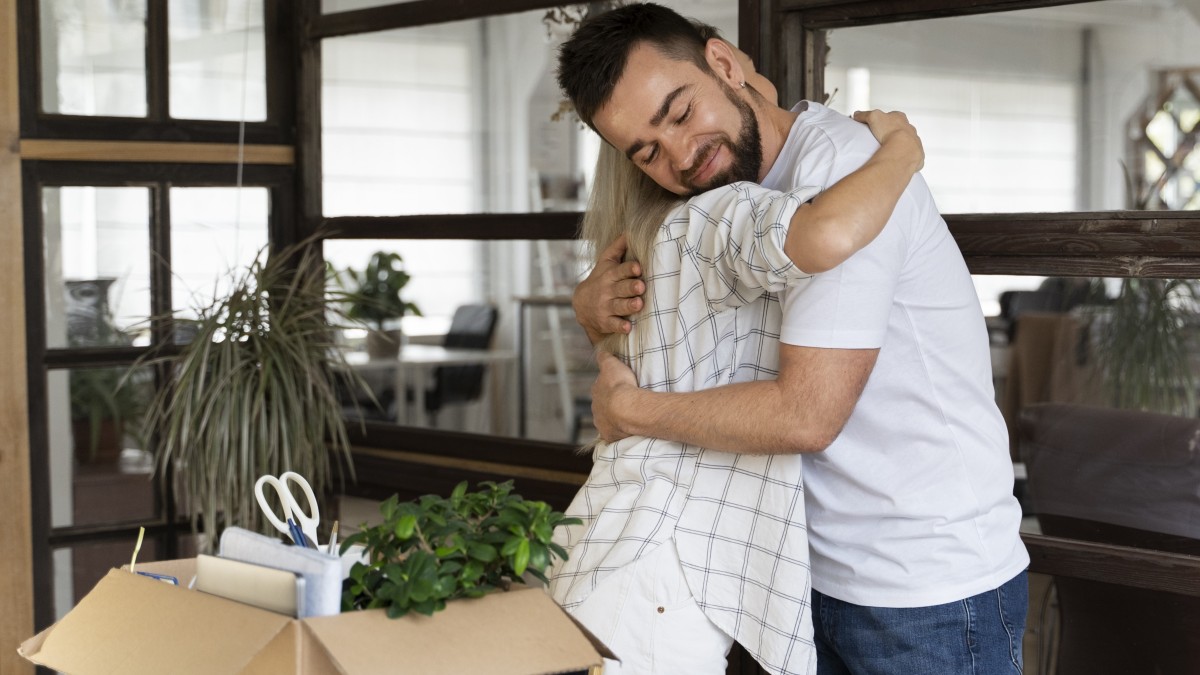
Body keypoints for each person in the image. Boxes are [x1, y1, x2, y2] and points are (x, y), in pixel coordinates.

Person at [556, 4, 1029, 675]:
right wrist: (589, 309)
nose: (681, 156)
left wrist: (630, 413)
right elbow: (676, 344)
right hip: (804, 571)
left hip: (926, 585)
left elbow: (806, 414)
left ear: (722, 64)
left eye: (681, 113)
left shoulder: (844, 175)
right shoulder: (721, 202)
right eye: (648, 151)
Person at [551, 110, 924, 675]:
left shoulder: (637, 251)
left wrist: (588, 316)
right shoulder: (716, 215)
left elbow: (623, 370)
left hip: (613, 537)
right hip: (658, 569)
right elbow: (826, 232)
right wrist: (903, 149)